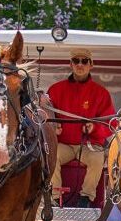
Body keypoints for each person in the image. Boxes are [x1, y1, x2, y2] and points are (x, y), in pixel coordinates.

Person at [47, 48, 114, 207]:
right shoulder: (55, 90)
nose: (80, 64)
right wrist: (53, 126)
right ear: (70, 64)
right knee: (51, 154)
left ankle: (85, 199)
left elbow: (111, 123)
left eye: (84, 61)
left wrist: (94, 128)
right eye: (76, 61)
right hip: (64, 145)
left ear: (91, 65)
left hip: (87, 146)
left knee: (98, 158)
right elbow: (46, 115)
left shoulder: (101, 93)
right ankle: (55, 198)